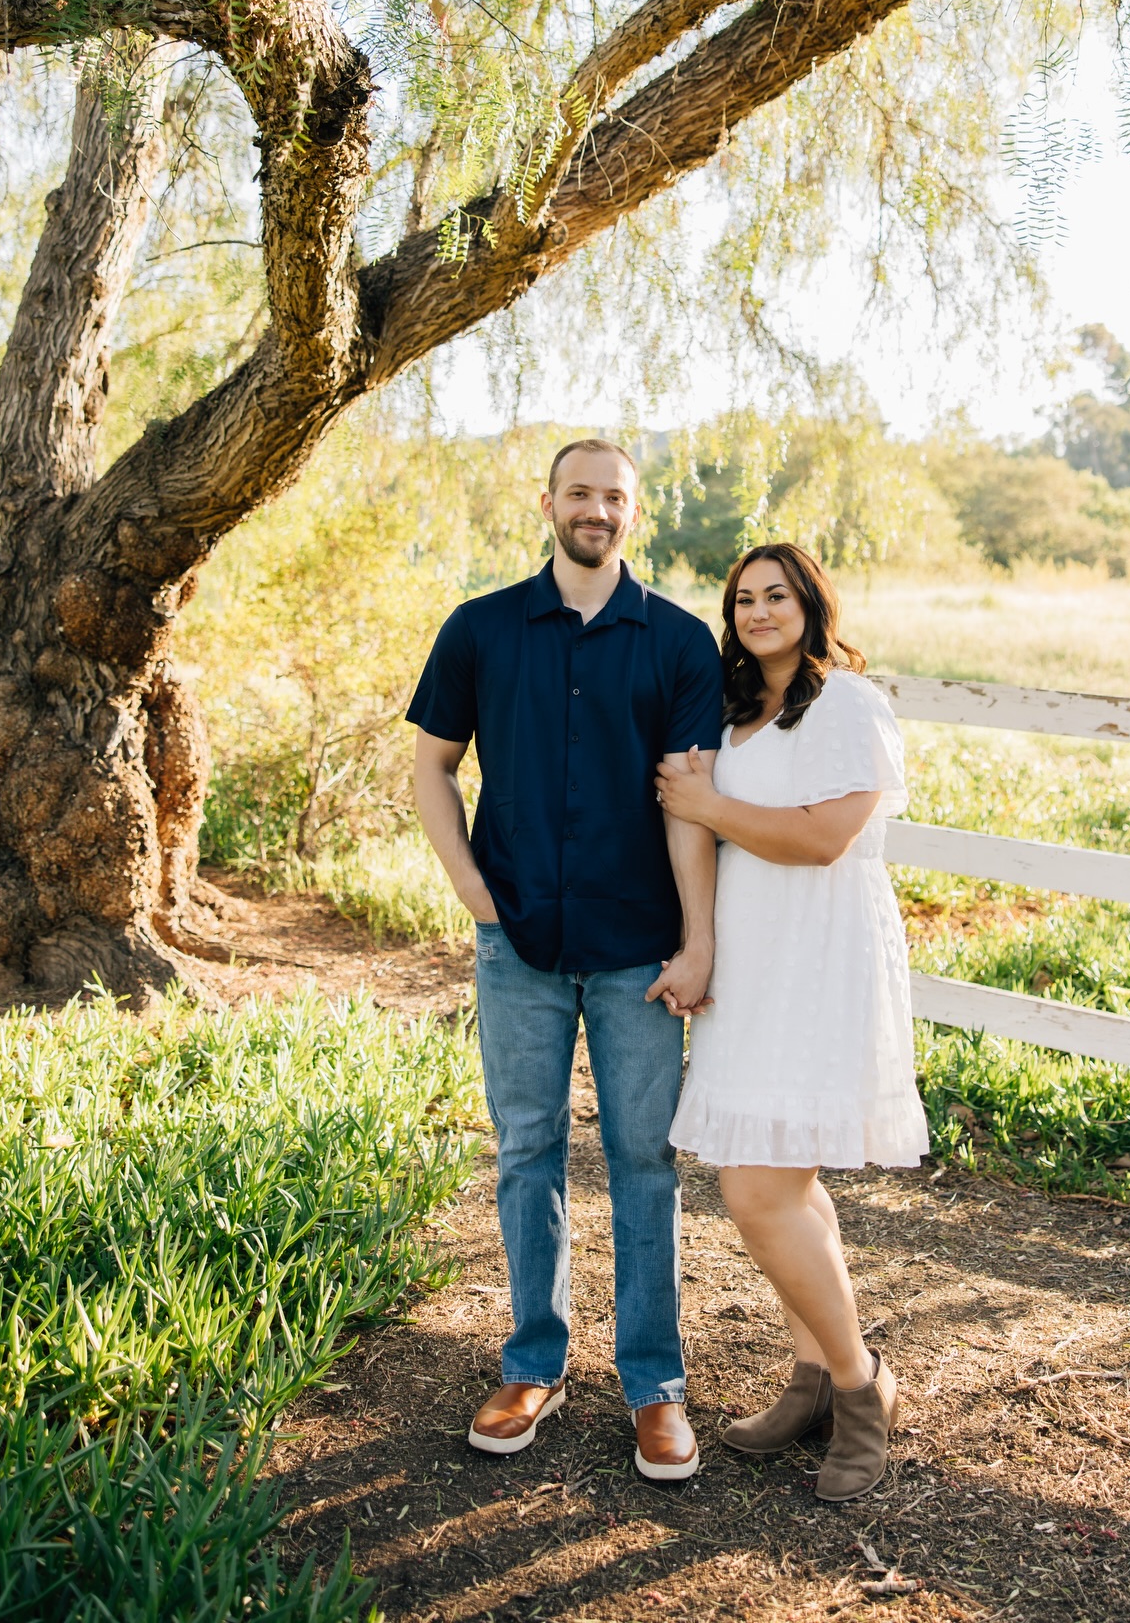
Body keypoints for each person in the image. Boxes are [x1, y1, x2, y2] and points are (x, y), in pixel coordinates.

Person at [410, 438, 723, 1482]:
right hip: (522, 945)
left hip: (637, 950)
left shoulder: (679, 644)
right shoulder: (481, 629)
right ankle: (532, 1362)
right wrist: (472, 891)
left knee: (643, 1161)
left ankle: (655, 1386)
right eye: (581, 492)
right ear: (548, 502)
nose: (598, 509)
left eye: (616, 496)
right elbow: (433, 766)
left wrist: (694, 936)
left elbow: (689, 804)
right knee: (526, 1151)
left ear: (637, 513)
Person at [656, 541, 929, 1502]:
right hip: (755, 962)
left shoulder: (849, 703)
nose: (759, 611)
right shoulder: (736, 711)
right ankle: (811, 1376)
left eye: (777, 595)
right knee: (791, 1183)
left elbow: (821, 840)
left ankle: (862, 1389)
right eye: (743, 598)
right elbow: (692, 814)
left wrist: (712, 806)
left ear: (812, 602)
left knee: (758, 1191)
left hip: (822, 959)